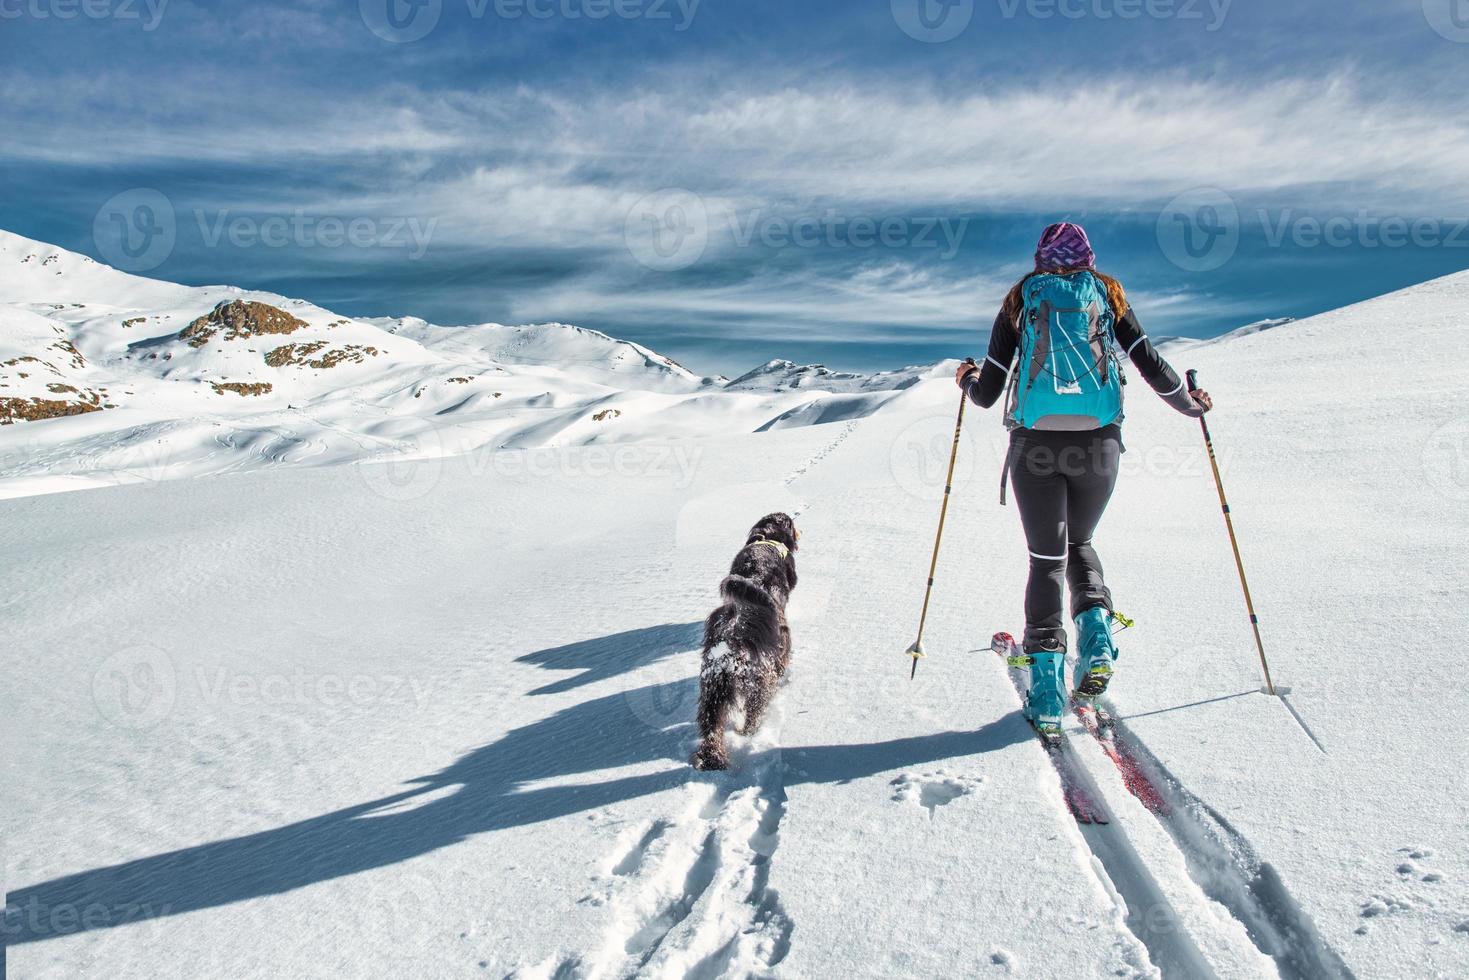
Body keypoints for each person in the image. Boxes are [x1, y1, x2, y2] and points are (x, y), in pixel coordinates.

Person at [957, 222, 1212, 733]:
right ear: (1088, 258)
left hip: (1035, 447)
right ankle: (1096, 635)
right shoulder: (1107, 294)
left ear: (1040, 258)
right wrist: (1191, 404)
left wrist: (965, 379)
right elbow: (1149, 363)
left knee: (1046, 559)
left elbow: (987, 394)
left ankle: (1048, 691)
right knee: (1082, 542)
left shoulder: (1020, 300)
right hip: (1100, 443)